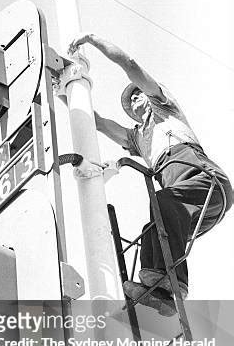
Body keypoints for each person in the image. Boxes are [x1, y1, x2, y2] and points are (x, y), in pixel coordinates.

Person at [68, 33, 232, 316]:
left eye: (137, 94)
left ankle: (176, 283)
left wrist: (93, 40)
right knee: (151, 228)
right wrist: (64, 88)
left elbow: (129, 64)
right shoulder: (138, 138)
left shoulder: (164, 109)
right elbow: (100, 123)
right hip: (185, 202)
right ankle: (163, 294)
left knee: (164, 202)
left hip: (205, 181)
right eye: (130, 101)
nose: (134, 100)